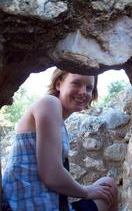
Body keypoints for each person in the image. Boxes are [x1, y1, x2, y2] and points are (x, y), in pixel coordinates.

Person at [2, 68, 118, 211]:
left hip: (48, 204)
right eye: (76, 83)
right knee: (108, 187)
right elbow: (51, 175)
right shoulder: (49, 103)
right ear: (58, 84)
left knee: (107, 186)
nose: (83, 92)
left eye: (89, 88)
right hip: (29, 205)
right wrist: (86, 191)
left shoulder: (59, 121)